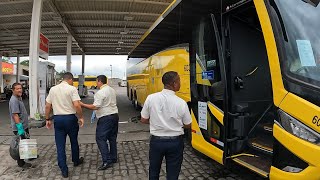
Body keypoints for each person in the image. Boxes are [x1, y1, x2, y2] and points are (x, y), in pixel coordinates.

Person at [140, 71, 192, 180]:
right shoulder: (181, 102)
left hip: (156, 142)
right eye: (179, 81)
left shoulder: (151, 98)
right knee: (173, 174)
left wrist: (156, 122)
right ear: (174, 84)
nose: (180, 83)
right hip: (175, 143)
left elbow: (143, 119)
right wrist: (177, 125)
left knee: (153, 171)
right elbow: (188, 124)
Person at [45, 72, 84, 178]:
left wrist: (47, 119)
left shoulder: (53, 89)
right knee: (74, 141)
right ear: (70, 79)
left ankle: (64, 169)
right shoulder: (72, 89)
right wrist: (80, 117)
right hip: (70, 119)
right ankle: (76, 161)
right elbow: (77, 105)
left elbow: (48, 106)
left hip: (58, 119)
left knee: (60, 145)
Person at [80, 75, 119, 171]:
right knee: (112, 138)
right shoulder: (112, 90)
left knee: (100, 139)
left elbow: (95, 107)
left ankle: (107, 161)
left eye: (96, 81)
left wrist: (82, 104)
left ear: (99, 81)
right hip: (114, 116)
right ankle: (114, 157)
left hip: (105, 118)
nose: (96, 84)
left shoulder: (100, 93)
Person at [9, 82, 31, 168]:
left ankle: (29, 156)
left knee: (26, 142)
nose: (19, 90)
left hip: (23, 126)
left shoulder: (18, 98)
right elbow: (15, 115)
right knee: (20, 145)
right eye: (17, 89)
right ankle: (21, 163)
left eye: (20, 88)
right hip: (19, 127)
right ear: (13, 90)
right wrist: (20, 129)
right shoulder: (14, 100)